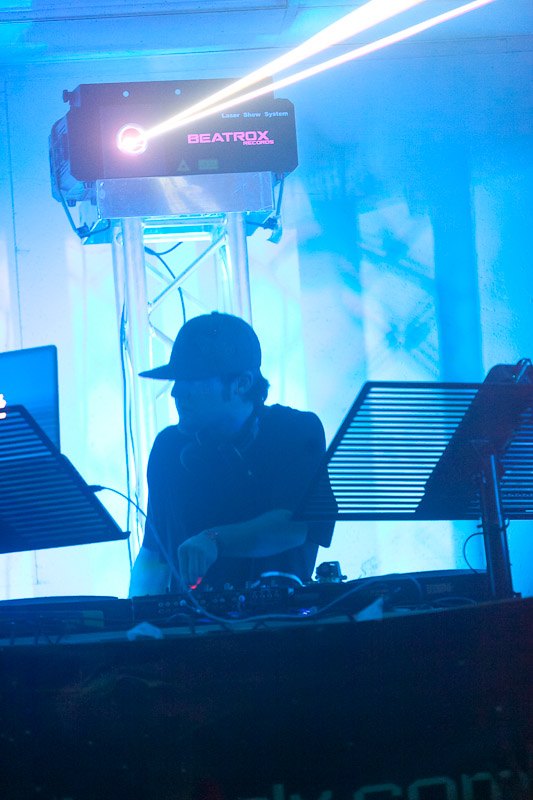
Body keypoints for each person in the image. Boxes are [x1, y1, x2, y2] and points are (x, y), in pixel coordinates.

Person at [128, 311, 334, 596]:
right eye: (176, 380)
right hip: (189, 622)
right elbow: (154, 555)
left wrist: (214, 539)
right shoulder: (168, 448)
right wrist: (135, 617)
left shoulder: (295, 430)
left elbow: (295, 526)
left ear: (242, 384)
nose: (176, 392)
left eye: (192, 379)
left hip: (279, 620)